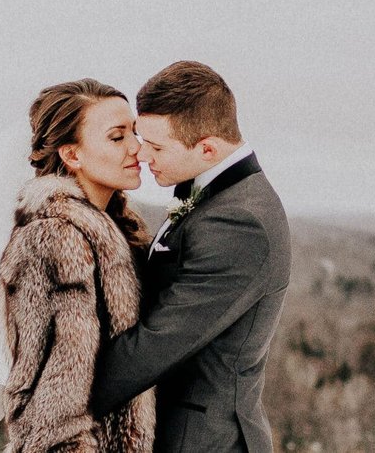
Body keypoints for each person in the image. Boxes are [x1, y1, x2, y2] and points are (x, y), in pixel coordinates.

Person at [89, 61, 291, 453]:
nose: (142, 154)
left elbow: (156, 343)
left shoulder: (240, 222)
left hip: (202, 440)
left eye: (156, 146)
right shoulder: (214, 193)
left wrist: (55, 400)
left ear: (208, 148)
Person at [0, 78, 157, 453]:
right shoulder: (55, 239)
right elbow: (51, 415)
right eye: (117, 137)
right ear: (72, 155)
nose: (137, 147)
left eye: (134, 132)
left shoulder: (109, 228)